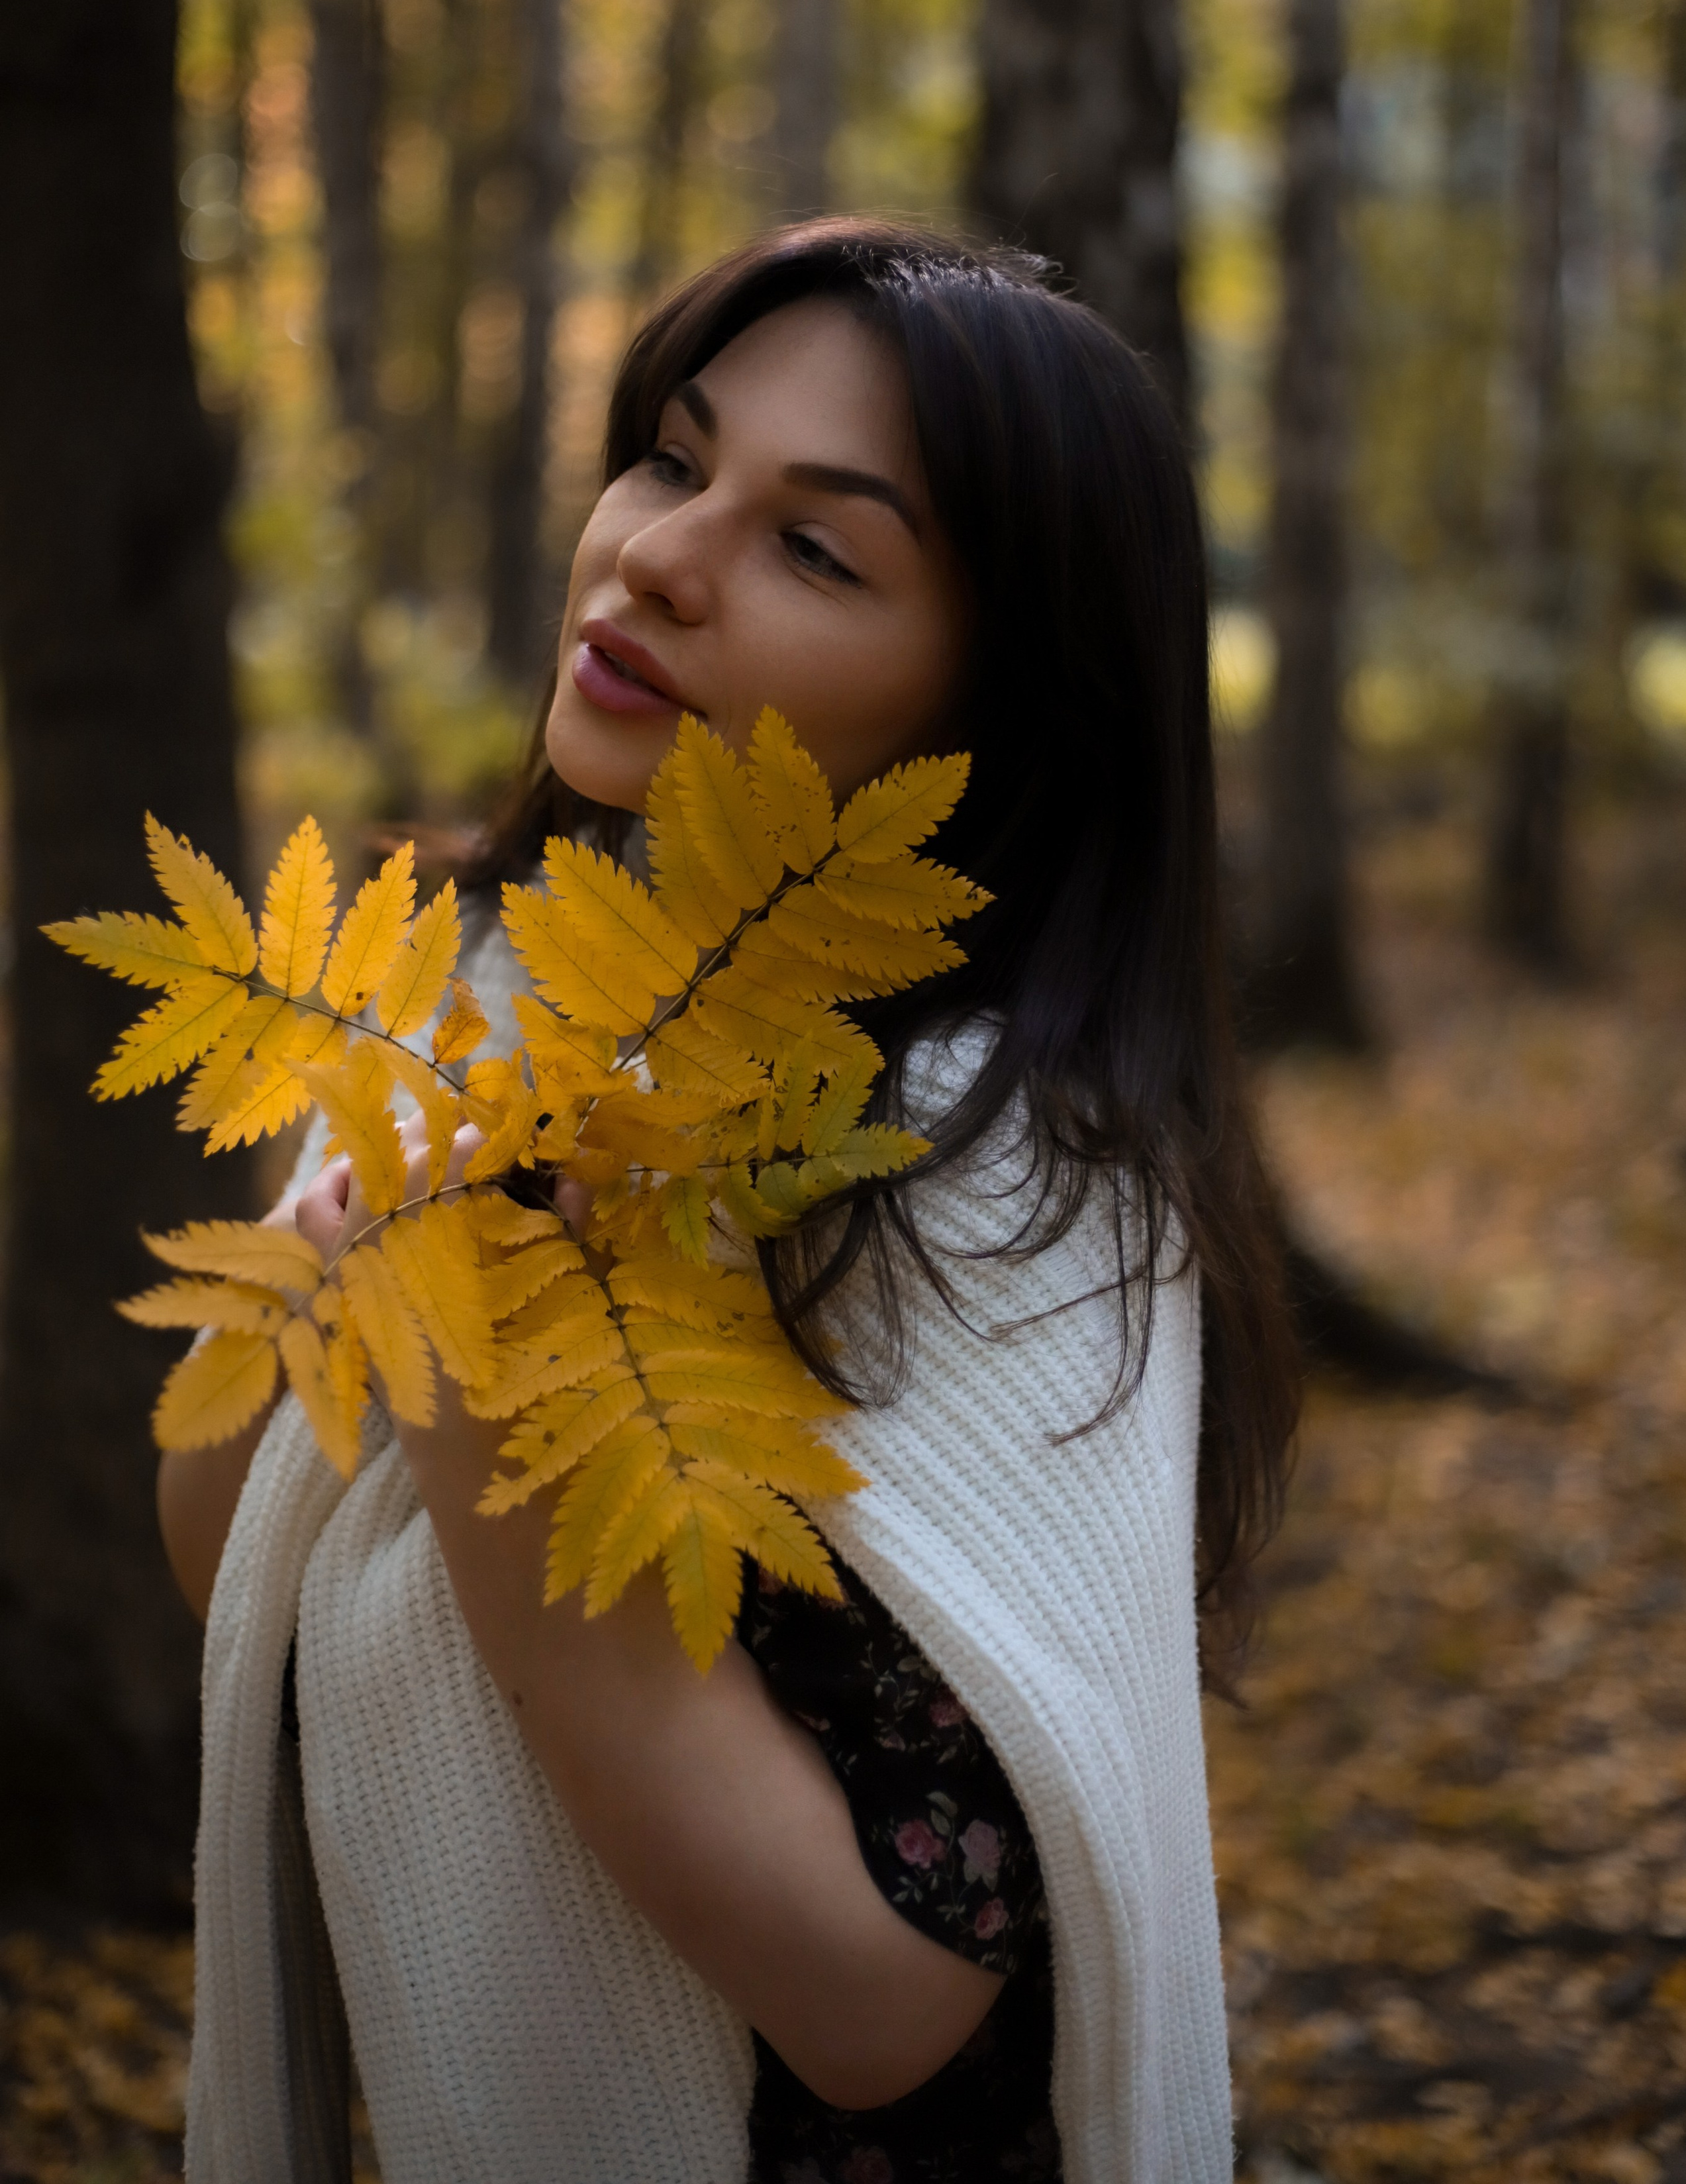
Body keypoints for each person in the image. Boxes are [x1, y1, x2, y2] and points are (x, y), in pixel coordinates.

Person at [161, 219, 1300, 2184]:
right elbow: (233, 1567)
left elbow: (884, 2006)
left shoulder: (1015, 1182)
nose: (658, 556)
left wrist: (474, 1346)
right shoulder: (477, 986)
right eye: (672, 458)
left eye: (816, 548)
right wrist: (340, 1267)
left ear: (1003, 704)